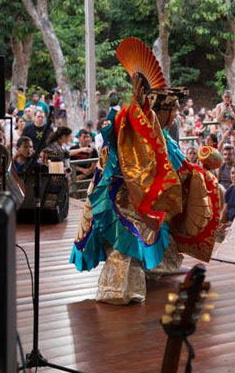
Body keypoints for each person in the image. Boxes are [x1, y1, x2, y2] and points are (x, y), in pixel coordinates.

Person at [70, 44, 222, 304]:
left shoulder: (162, 137)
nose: (174, 118)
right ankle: (118, 289)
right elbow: (128, 146)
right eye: (171, 111)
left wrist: (199, 175)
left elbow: (179, 166)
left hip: (141, 197)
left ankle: (156, 268)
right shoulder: (127, 122)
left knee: (164, 220)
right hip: (122, 197)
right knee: (128, 241)